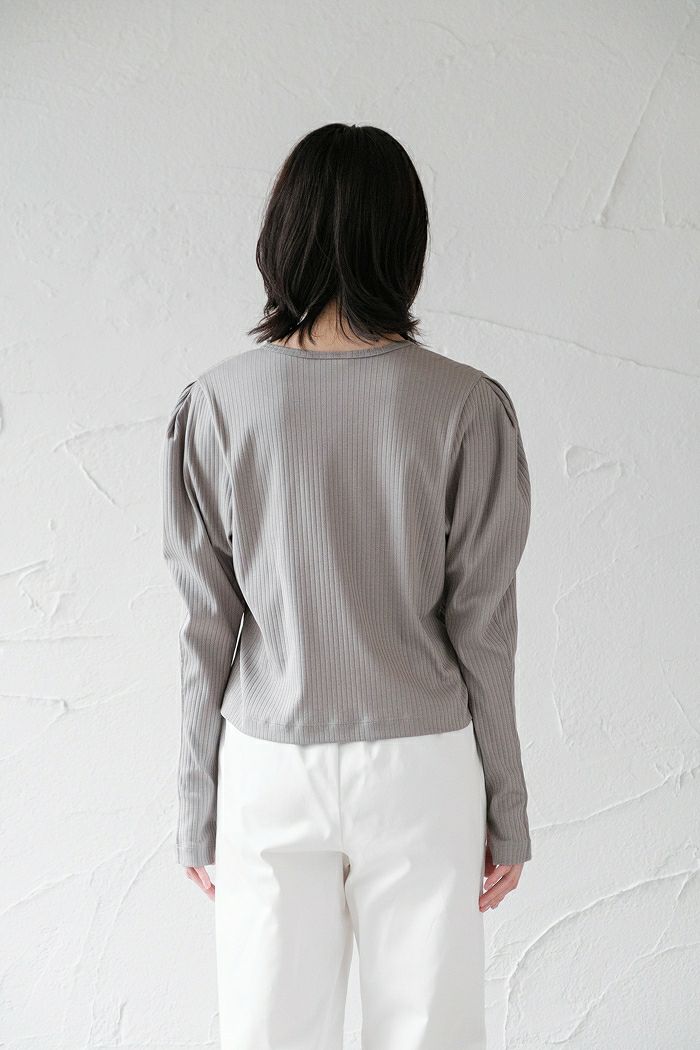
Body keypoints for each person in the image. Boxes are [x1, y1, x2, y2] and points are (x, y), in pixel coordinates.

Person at [161, 122, 533, 1050]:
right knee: (430, 1033)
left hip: (267, 763)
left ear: (281, 235)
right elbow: (484, 626)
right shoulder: (466, 406)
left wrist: (196, 805)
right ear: (405, 243)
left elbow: (204, 628)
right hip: (423, 766)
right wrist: (508, 809)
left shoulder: (218, 404)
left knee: (267, 1033)